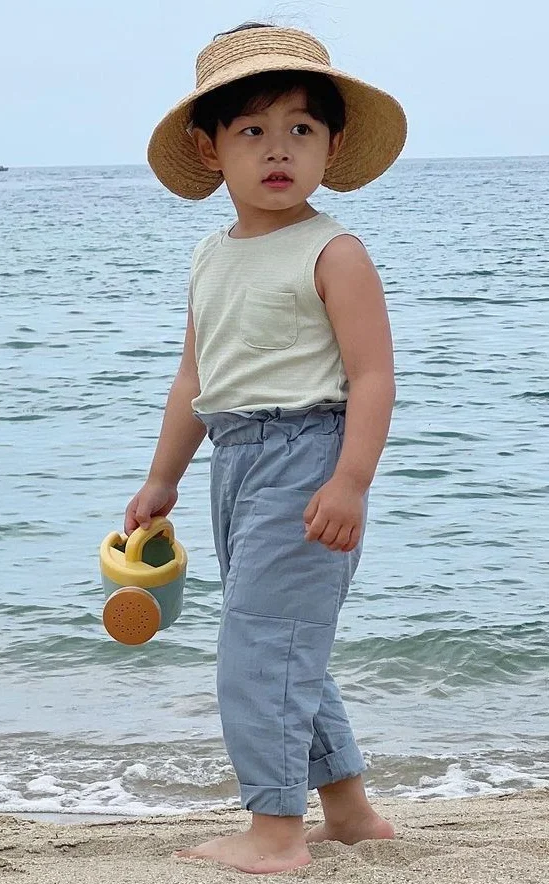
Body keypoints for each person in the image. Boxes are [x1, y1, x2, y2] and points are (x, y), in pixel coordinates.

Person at [123, 22, 407, 874]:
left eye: (300, 129)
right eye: (252, 130)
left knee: (260, 648)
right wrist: (161, 478)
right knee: (284, 641)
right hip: (235, 461)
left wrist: (350, 479)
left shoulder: (334, 251)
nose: (277, 149)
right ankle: (350, 813)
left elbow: (372, 378)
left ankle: (276, 831)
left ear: (332, 146)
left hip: (308, 455)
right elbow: (193, 382)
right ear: (210, 149)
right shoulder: (211, 257)